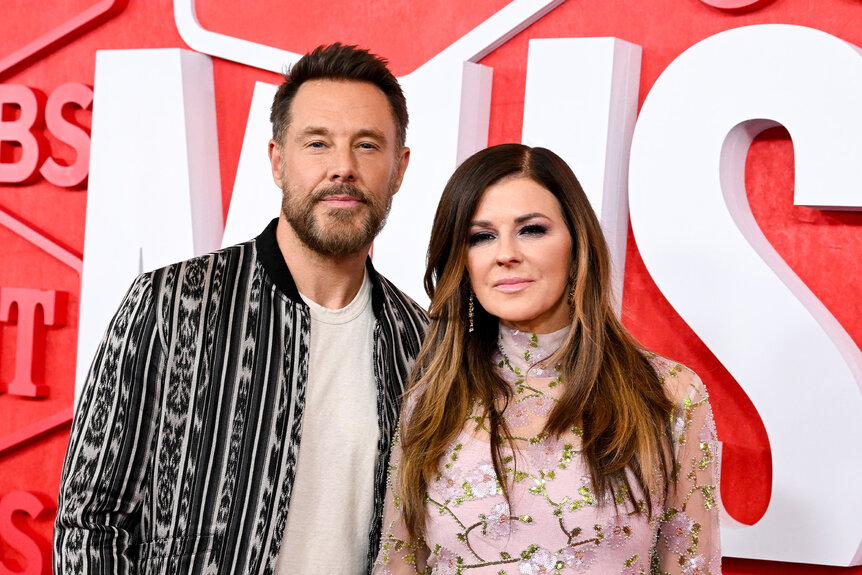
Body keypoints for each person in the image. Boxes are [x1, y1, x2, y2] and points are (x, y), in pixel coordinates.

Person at [54, 43, 427, 574]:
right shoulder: (172, 304)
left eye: (367, 145)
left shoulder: (420, 342)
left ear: (399, 168)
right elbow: (91, 522)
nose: (343, 168)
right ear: (277, 161)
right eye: (317, 143)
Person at [373, 144, 721, 575]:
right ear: (462, 262)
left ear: (577, 244)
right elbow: (400, 564)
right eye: (480, 237)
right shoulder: (430, 402)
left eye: (531, 229)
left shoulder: (669, 395)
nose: (505, 254)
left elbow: (689, 566)